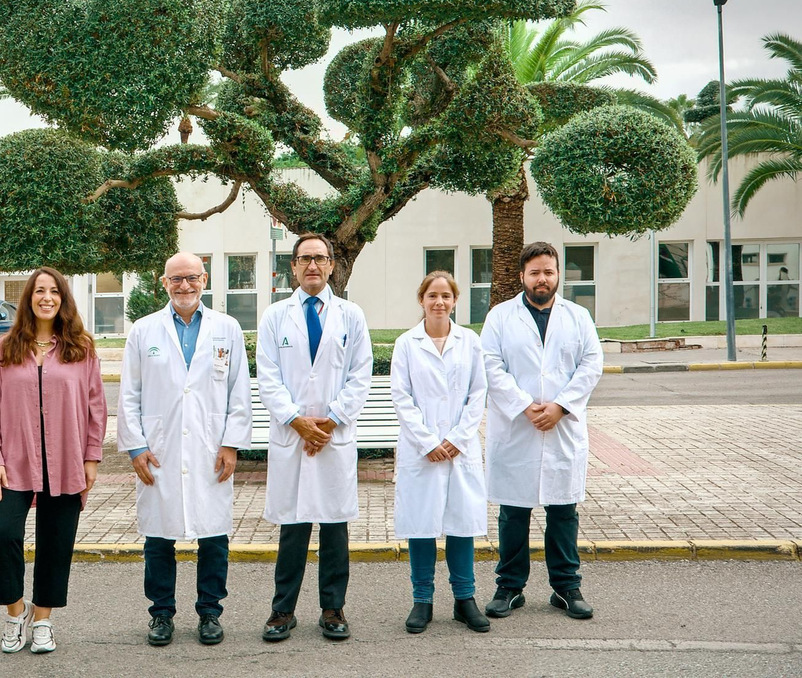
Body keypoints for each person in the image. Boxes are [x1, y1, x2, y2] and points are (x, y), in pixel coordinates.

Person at [117, 252, 252, 648]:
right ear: (164, 283)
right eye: (176, 279)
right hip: (159, 449)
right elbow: (129, 394)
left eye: (191, 278)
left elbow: (238, 393)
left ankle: (210, 612)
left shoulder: (227, 329)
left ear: (204, 279)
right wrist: (136, 447)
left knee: (214, 535)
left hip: (211, 448)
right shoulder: (144, 331)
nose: (184, 286)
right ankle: (161, 614)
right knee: (159, 536)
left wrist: (231, 443)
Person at [0, 266, 107, 655]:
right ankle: (15, 612)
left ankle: (42, 620)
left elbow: (95, 407)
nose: (46, 297)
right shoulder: (5, 348)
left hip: (66, 459)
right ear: (29, 298)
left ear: (63, 299)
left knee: (56, 542)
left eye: (54, 291)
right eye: (39, 291)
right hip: (14, 461)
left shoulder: (81, 347)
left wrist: (92, 457)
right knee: (1, 533)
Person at [256, 233, 373, 644]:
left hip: (333, 436)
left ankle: (332, 608)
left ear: (331, 265)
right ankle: (282, 610)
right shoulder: (274, 316)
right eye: (305, 258)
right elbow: (267, 377)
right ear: (293, 266)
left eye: (320, 258)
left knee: (334, 526)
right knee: (293, 526)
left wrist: (330, 422)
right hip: (292, 437)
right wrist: (296, 421)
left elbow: (361, 374)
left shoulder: (351, 315)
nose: (312, 265)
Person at [482, 241, 604, 622]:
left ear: (557, 275)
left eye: (548, 271)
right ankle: (510, 587)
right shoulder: (500, 317)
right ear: (522, 276)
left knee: (563, 511)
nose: (542, 278)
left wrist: (560, 406)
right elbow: (490, 365)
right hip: (517, 426)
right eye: (534, 272)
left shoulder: (578, 316)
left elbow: (591, 363)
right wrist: (524, 405)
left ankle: (566, 587)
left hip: (561, 426)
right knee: (513, 513)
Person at [391, 272, 490, 634]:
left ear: (454, 301)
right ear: (421, 300)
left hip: (459, 450)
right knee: (422, 525)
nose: (439, 302)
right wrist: (429, 441)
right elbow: (402, 397)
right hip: (423, 451)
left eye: (446, 296)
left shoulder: (470, 341)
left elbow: (477, 393)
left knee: (461, 524)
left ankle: (465, 599)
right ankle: (422, 600)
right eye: (432, 295)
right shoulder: (407, 343)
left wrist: (458, 439)